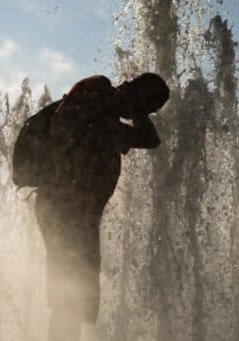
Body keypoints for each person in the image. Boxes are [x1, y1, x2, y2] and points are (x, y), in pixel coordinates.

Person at [32, 73, 169, 341]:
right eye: (146, 107)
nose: (141, 114)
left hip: (82, 218)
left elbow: (151, 140)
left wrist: (136, 109)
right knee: (68, 295)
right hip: (63, 209)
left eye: (149, 111)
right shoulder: (98, 88)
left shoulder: (112, 124)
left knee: (79, 297)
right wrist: (129, 105)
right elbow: (65, 125)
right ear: (135, 90)